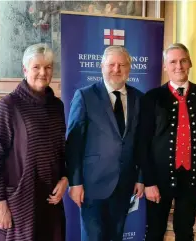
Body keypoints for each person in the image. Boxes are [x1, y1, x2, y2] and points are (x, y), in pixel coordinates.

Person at [135, 43, 196, 241]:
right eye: (173, 62)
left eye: (183, 60)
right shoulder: (152, 98)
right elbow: (142, 143)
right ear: (165, 66)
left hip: (192, 179)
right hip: (158, 179)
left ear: (190, 63)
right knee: (155, 232)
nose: (179, 66)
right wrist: (148, 181)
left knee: (185, 232)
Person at [0, 43, 68, 241]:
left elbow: (63, 150)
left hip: (51, 198)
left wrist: (66, 179)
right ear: (25, 69)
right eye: (36, 67)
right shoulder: (9, 105)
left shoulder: (57, 105)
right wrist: (0, 204)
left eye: (48, 67)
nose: (43, 72)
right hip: (20, 201)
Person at [65, 46, 144, 241]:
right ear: (101, 67)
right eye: (111, 64)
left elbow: (143, 142)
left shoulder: (139, 98)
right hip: (92, 185)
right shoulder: (85, 96)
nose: (116, 69)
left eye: (122, 65)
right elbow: (73, 144)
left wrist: (141, 178)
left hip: (125, 184)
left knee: (116, 237)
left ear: (129, 69)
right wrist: (75, 183)